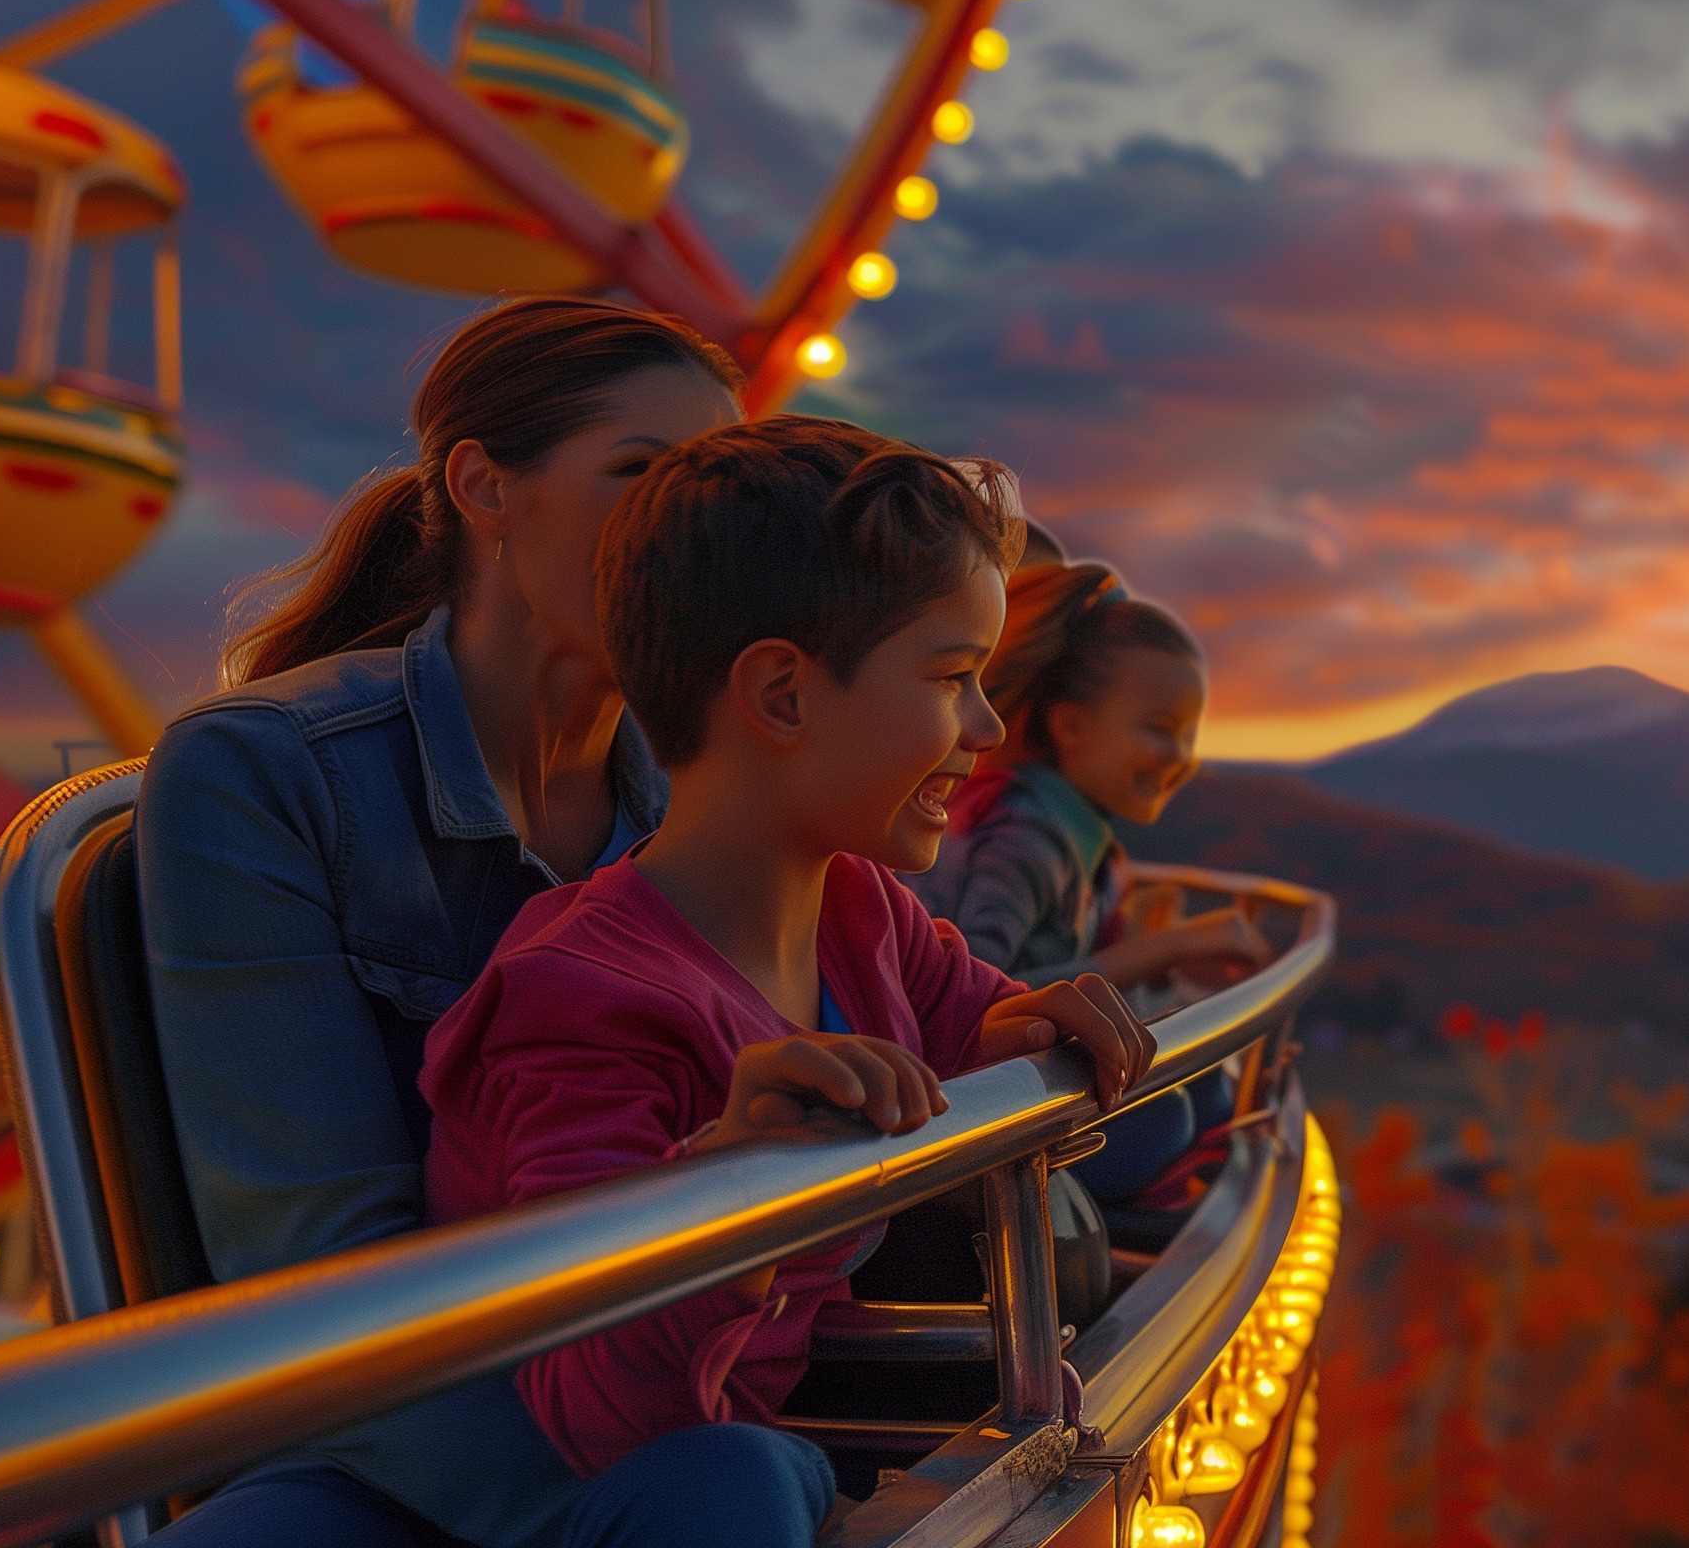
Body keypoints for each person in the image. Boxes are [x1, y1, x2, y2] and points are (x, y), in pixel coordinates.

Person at [135, 300, 1074, 1547]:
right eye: (643, 475)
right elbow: (316, 1268)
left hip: (672, 1396)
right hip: (420, 1442)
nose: (681, 524)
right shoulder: (267, 776)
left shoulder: (735, 797)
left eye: (702, 485)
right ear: (483, 486)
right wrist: (633, 1503)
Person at [421, 419, 1149, 1526]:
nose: (989, 727)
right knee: (740, 1484)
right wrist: (732, 1189)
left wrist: (1034, 1031)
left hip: (768, 1435)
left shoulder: (860, 913)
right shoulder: (578, 1002)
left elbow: (970, 1022)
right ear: (781, 697)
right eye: (953, 677)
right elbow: (598, 1422)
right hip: (564, 1503)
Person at [908, 560, 1265, 1205]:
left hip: (1036, 1079)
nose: (1181, 756)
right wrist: (1163, 950)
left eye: (1188, 734)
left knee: (1209, 1082)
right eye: (1160, 729)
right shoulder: (1025, 837)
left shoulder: (1082, 838)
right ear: (1070, 726)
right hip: (977, 1103)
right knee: (1169, 1117)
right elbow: (977, 987)